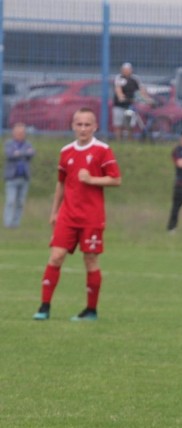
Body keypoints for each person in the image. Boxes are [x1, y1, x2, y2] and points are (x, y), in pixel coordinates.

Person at [32, 108, 121, 321]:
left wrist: (92, 180)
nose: (83, 129)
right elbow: (61, 183)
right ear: (72, 126)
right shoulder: (66, 152)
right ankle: (44, 307)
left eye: (87, 125)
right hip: (67, 215)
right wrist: (54, 211)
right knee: (56, 256)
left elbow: (116, 179)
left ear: (95, 127)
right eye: (79, 124)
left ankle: (91, 310)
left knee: (90, 261)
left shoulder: (102, 150)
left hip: (92, 217)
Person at [4, 122, 35, 228]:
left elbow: (32, 153)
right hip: (12, 178)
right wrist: (24, 152)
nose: (20, 134)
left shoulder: (28, 144)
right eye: (18, 132)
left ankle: (16, 224)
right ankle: (8, 223)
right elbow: (10, 154)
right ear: (13, 133)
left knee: (20, 202)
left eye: (22, 132)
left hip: (24, 177)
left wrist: (19, 152)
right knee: (10, 201)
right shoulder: (9, 144)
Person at [113, 62, 152, 140]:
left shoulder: (135, 79)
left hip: (129, 106)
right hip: (119, 105)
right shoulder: (119, 78)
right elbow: (118, 89)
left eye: (128, 69)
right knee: (118, 125)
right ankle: (118, 141)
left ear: (131, 70)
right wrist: (121, 97)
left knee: (129, 125)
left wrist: (148, 99)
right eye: (124, 69)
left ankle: (129, 141)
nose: (126, 71)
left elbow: (142, 90)